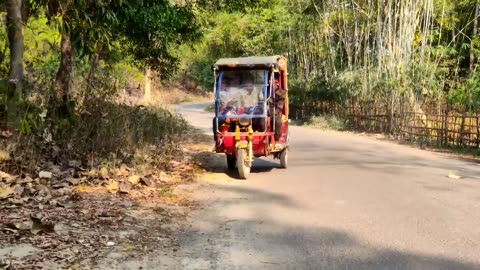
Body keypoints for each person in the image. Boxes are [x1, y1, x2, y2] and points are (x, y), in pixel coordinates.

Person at [268, 73, 286, 142]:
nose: (269, 81)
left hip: (275, 110)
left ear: (276, 81)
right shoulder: (265, 90)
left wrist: (273, 112)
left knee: (277, 120)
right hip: (265, 110)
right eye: (269, 79)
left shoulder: (282, 92)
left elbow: (280, 106)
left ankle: (277, 138)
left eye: (271, 79)